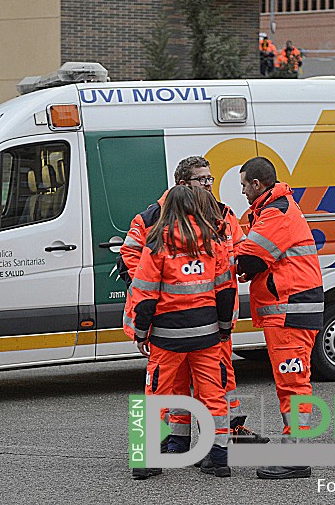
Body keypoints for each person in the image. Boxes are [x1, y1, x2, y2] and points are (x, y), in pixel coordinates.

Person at [118, 156, 266, 449]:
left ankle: (225, 436)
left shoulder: (222, 214)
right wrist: (166, 286)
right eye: (203, 179)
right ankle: (180, 439)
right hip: (180, 318)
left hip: (209, 317)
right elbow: (130, 256)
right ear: (183, 183)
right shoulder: (152, 217)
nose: (209, 184)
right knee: (175, 384)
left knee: (216, 382)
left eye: (210, 178)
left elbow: (238, 252)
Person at [129, 185, 236, 479]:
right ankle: (218, 459)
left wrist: (141, 333)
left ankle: (146, 460)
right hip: (207, 335)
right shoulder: (214, 244)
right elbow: (226, 291)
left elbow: (146, 295)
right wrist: (225, 329)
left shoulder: (157, 245)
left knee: (155, 395)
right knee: (214, 396)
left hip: (167, 336)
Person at [236, 157, 324, 480]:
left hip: (291, 309)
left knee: (293, 384)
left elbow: (250, 257)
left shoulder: (275, 212)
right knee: (291, 383)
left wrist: (237, 261)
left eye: (244, 185)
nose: (243, 192)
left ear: (257, 184)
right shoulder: (275, 209)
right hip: (290, 308)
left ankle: (295, 455)